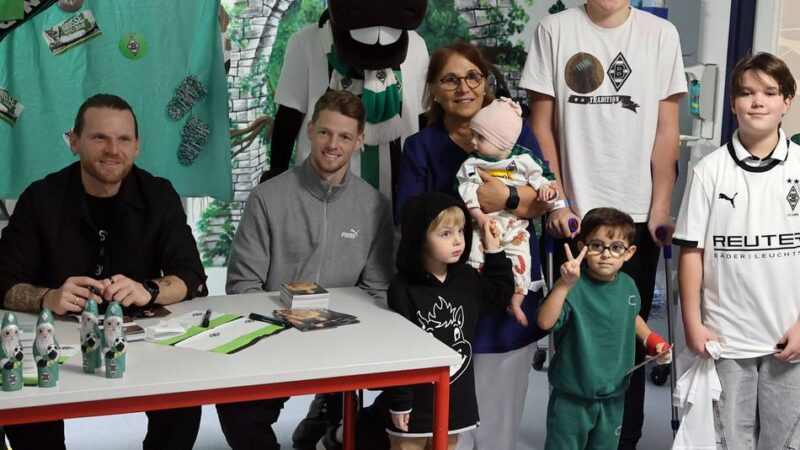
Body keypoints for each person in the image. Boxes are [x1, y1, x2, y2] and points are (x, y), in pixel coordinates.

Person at [519, 1, 686, 446]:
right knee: (574, 334)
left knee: (626, 343)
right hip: (577, 219)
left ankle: (622, 440)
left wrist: (661, 205)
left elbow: (667, 129)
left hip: (635, 219)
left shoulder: (659, 35)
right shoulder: (555, 30)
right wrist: (556, 201)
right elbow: (541, 125)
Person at [0, 93, 208, 450]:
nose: (113, 149)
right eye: (100, 138)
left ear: (137, 146)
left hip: (141, 340)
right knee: (26, 411)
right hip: (55, 340)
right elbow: (3, 281)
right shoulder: (40, 198)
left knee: (183, 403)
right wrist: (47, 297)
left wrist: (149, 291)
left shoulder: (158, 194)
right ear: (74, 142)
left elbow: (192, 276)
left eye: (123, 139)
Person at [395, 41, 550, 450]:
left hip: (509, 280)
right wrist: (467, 214)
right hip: (447, 297)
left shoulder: (519, 133)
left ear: (486, 83)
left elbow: (545, 196)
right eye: (449, 79)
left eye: (473, 76)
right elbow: (408, 221)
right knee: (450, 419)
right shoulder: (421, 147)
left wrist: (508, 201)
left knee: (500, 418)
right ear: (432, 89)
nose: (463, 87)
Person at [219, 89, 394, 450]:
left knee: (414, 395)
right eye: (326, 132)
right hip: (275, 337)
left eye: (345, 136)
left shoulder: (374, 205)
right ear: (310, 130)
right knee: (236, 408)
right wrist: (288, 327)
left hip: (345, 341)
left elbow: (378, 290)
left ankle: (336, 427)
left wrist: (336, 330)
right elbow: (242, 286)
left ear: (360, 141)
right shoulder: (267, 198)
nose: (333, 144)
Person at [673, 52, 800, 449]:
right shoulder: (709, 171)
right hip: (726, 338)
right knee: (728, 439)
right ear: (732, 104)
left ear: (787, 102)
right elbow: (691, 252)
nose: (757, 101)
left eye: (769, 92)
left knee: (785, 439)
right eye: (746, 93)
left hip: (789, 336)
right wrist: (692, 322)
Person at [387, 192, 514, 450]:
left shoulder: (466, 279)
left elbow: (499, 294)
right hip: (414, 406)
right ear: (419, 238)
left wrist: (494, 250)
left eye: (461, 231)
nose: (458, 241)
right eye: (445, 234)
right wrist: (400, 401)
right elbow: (398, 349)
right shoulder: (402, 288)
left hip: (456, 404)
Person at [537, 207, 670, 450]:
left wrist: (653, 341)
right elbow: (545, 322)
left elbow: (633, 318)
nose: (606, 254)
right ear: (582, 248)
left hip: (613, 394)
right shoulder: (571, 287)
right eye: (597, 245)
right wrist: (563, 287)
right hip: (572, 395)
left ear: (628, 253)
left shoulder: (628, 286)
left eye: (616, 247)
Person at [457, 97, 556, 326]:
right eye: (473, 134)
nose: (473, 141)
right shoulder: (473, 163)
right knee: (474, 260)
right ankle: (476, 300)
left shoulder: (523, 159)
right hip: (483, 225)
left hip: (516, 226)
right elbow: (466, 189)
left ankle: (516, 301)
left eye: (480, 137)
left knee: (522, 261)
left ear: (502, 141)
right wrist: (479, 216)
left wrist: (545, 190)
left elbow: (542, 179)